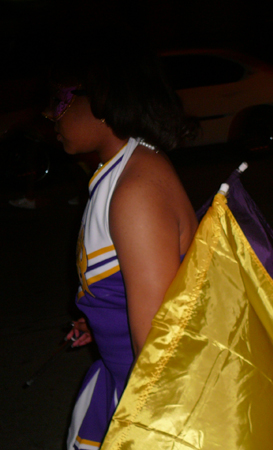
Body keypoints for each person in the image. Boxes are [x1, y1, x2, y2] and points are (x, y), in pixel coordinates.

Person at [48, 30, 198, 449]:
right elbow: (133, 285)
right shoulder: (125, 167)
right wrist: (102, 321)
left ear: (102, 98)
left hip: (138, 399)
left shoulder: (135, 190)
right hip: (119, 376)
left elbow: (157, 346)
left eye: (60, 100)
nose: (51, 116)